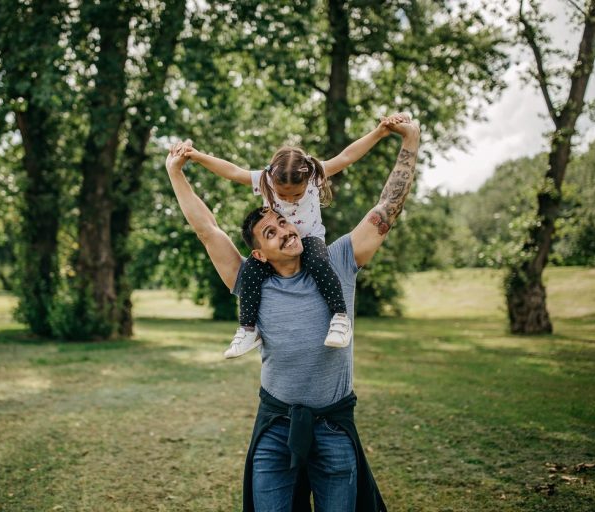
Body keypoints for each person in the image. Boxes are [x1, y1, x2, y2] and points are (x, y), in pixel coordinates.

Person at [164, 117, 420, 511]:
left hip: (334, 426)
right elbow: (207, 229)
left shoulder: (338, 259)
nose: (284, 230)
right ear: (259, 253)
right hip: (276, 425)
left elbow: (387, 207)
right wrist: (176, 171)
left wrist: (410, 141)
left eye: (283, 221)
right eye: (270, 232)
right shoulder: (250, 279)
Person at [178, 116, 407, 358]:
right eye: (282, 195)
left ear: (307, 181)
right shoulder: (265, 178)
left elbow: (347, 156)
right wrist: (196, 155)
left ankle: (340, 317)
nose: (288, 200)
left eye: (296, 195)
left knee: (319, 263)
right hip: (280, 246)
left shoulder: (315, 174)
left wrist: (379, 133)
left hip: (309, 240)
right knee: (251, 273)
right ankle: (247, 329)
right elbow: (232, 172)